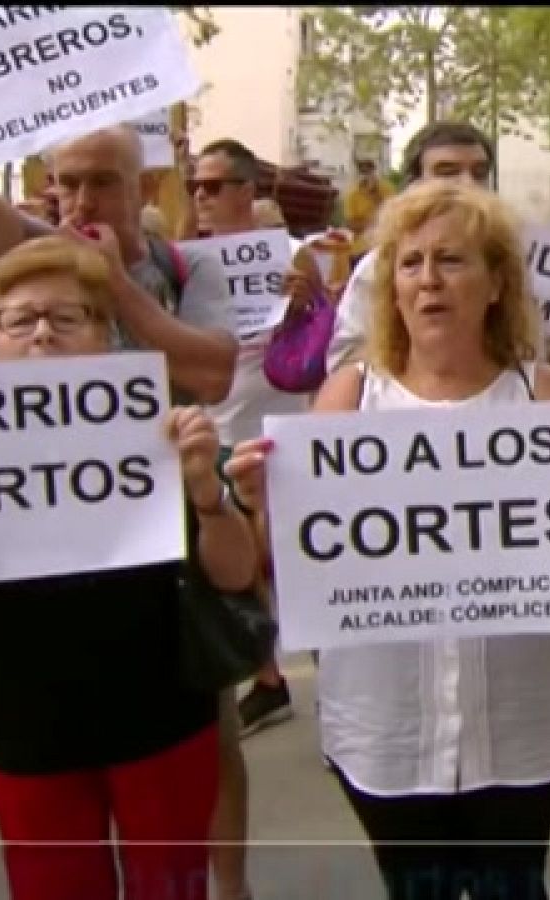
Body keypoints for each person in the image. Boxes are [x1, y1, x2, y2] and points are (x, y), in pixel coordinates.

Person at [222, 180, 550, 898]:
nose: (427, 281)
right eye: (410, 263)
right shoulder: (349, 397)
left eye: (450, 260)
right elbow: (289, 558)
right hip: (385, 730)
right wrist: (260, 502)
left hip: (521, 725)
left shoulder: (549, 398)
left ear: (494, 284)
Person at [0, 234, 255, 900]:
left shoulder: (163, 429)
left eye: (66, 318)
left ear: (105, 335)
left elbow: (238, 576)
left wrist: (208, 496)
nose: (42, 334)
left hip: (160, 714)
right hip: (27, 722)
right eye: (19, 320)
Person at [189, 136, 319, 900]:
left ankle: (330, 700)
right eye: (194, 186)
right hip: (211, 440)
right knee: (236, 583)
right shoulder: (181, 266)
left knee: (291, 574)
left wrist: (307, 301)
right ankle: (266, 677)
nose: (203, 197)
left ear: (248, 188)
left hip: (281, 440)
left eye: (215, 185)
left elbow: (326, 342)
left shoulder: (297, 261)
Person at [0, 121, 238, 405]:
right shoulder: (33, 251)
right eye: (70, 184)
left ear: (145, 190)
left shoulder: (187, 265)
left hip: (152, 465)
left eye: (103, 182)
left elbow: (213, 377)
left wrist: (115, 282)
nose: (84, 202)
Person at [326, 121, 550, 394]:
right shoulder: (378, 268)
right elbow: (345, 362)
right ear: (415, 184)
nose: (467, 182)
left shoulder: (518, 256)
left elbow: (527, 332)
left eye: (479, 172)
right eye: (447, 171)